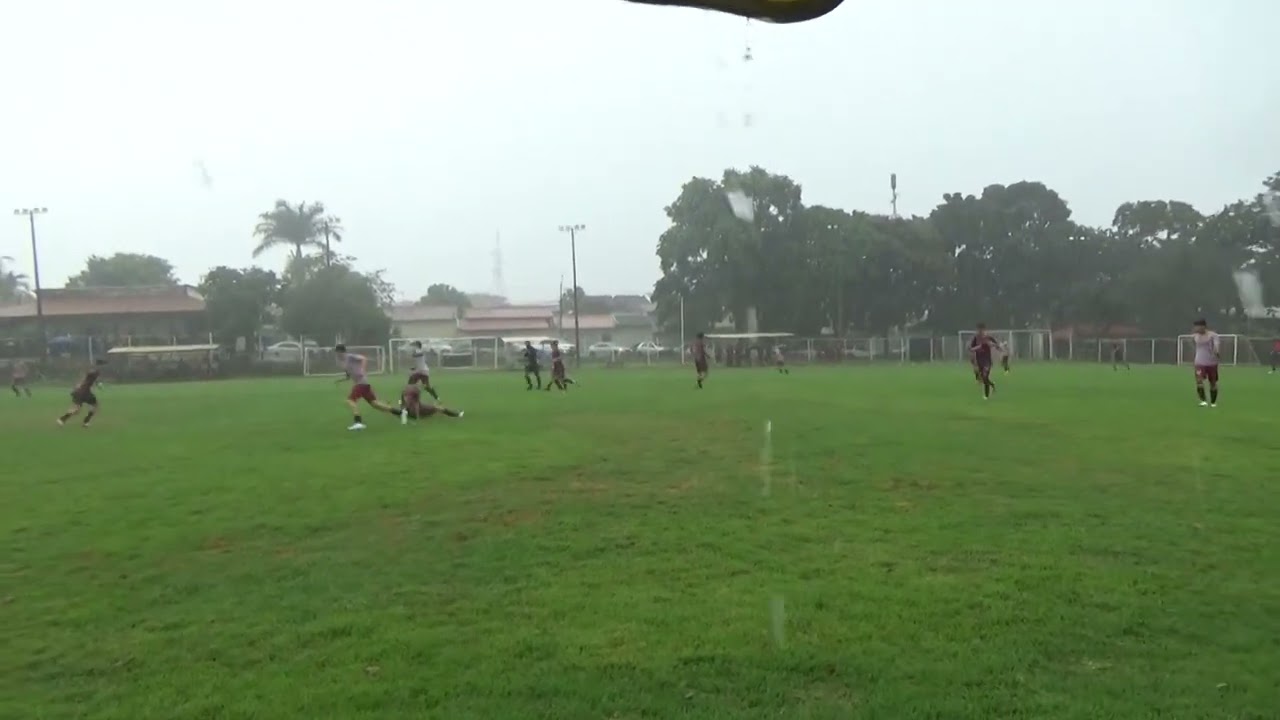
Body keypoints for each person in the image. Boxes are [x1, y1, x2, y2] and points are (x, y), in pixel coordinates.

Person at [335, 344, 398, 430]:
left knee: (350, 401)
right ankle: (400, 413)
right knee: (375, 404)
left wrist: (362, 369)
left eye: (337, 352)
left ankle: (358, 422)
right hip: (362, 384)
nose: (337, 354)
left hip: (361, 383)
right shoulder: (342, 362)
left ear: (341, 351)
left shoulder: (350, 357)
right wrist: (342, 379)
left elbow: (363, 358)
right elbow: (348, 373)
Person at [58, 359, 107, 427]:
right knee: (92, 406)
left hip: (81, 391)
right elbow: (89, 377)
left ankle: (63, 419)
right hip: (84, 392)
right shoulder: (95, 371)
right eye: (103, 366)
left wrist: (97, 383)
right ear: (100, 365)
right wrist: (98, 384)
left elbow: (87, 378)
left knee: (78, 409)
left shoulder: (93, 371)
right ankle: (85, 421)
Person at [968, 324, 1003, 399]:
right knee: (983, 379)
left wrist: (999, 348)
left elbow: (996, 344)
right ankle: (992, 385)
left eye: (982, 330)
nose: (980, 332)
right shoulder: (975, 338)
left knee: (985, 376)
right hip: (979, 360)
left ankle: (986, 396)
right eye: (979, 330)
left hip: (987, 360)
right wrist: (973, 355)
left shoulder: (988, 338)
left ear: (984, 330)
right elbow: (971, 348)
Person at [1191, 319, 1221, 407]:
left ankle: (1213, 402)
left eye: (1198, 327)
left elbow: (1216, 345)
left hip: (1211, 362)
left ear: (1203, 326)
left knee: (1213, 383)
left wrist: (1216, 351)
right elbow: (1194, 345)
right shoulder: (1195, 336)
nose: (1196, 329)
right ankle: (1203, 401)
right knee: (1199, 380)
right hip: (1199, 362)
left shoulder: (1213, 335)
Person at [399, 383, 463, 423]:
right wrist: (417, 416)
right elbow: (416, 405)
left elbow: (402, 403)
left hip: (409, 411)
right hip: (415, 411)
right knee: (438, 408)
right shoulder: (416, 391)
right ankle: (457, 415)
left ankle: (455, 414)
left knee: (433, 407)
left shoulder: (405, 390)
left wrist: (403, 412)